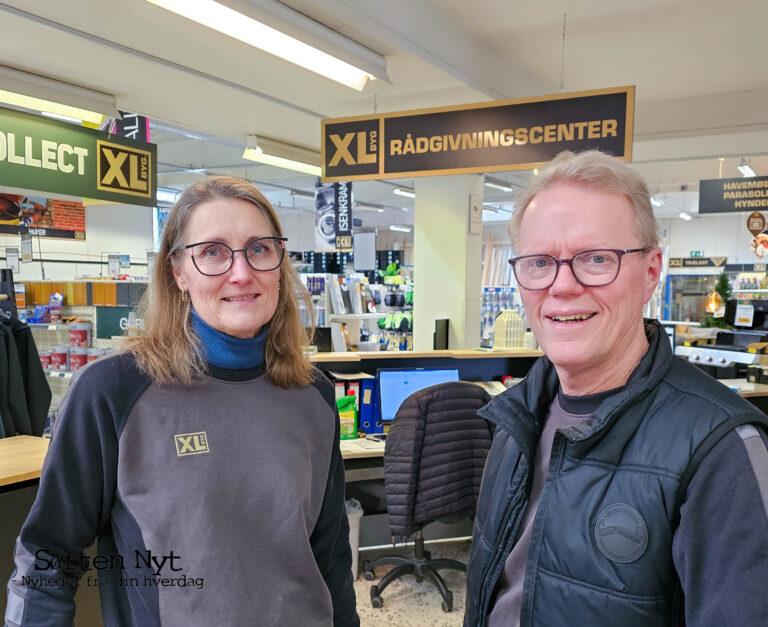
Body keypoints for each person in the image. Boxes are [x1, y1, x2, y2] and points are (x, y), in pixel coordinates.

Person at [5, 176, 359, 626]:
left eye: (259, 248)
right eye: (212, 252)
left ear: (279, 262)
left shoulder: (314, 395)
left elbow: (328, 557)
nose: (242, 272)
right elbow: (47, 555)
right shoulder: (112, 393)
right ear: (178, 272)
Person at [464, 150, 768, 626]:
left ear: (651, 273)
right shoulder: (513, 420)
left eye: (597, 258)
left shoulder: (721, 451)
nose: (562, 286)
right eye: (540, 262)